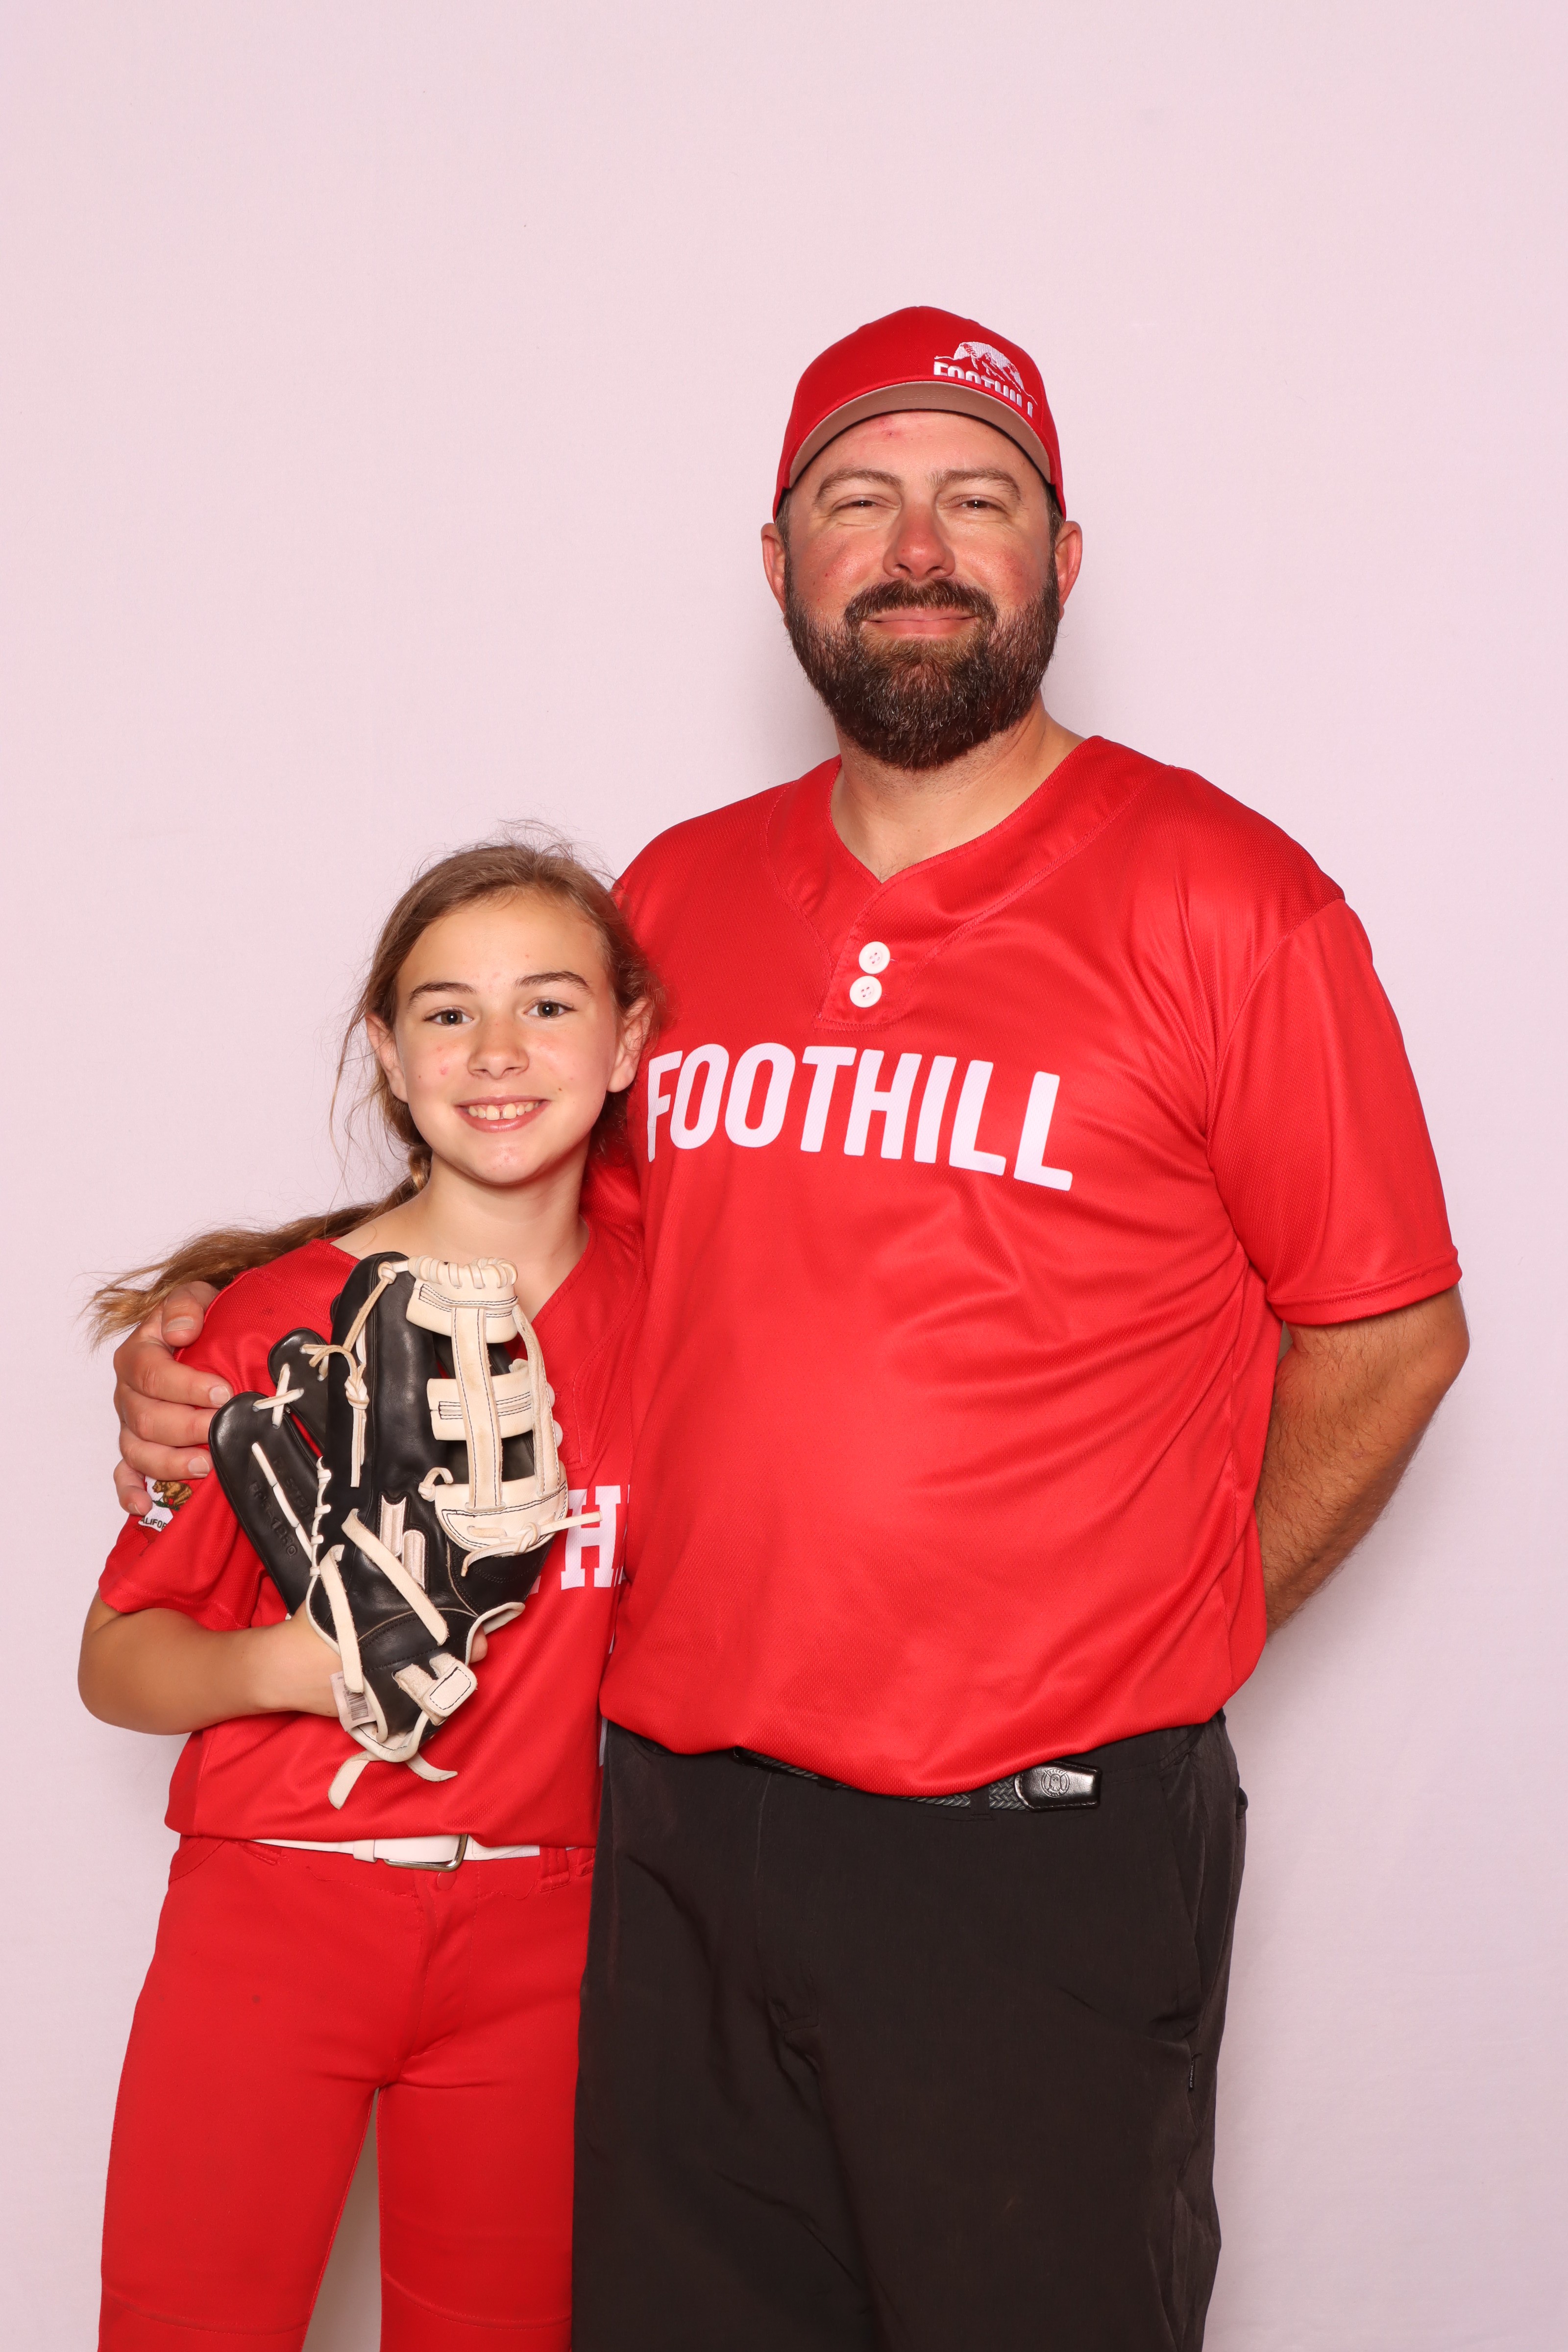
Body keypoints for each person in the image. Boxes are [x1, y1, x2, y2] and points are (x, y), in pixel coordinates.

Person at [110, 307, 1470, 2351]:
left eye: (974, 499)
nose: (916, 546)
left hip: (1033, 1848)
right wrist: (231, 1314)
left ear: (1060, 557)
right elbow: (528, 1213)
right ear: (778, 563)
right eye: (858, 500)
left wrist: (1171, 1623)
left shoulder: (1228, 901)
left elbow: (1389, 1333)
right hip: (671, 1830)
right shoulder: (682, 897)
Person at [81, 839, 657, 2351]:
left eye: (549, 1004)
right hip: (276, 1913)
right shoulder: (275, 1329)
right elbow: (116, 1659)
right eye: (447, 1013)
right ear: (390, 1057)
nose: (499, 1050)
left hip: (548, 1932)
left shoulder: (677, 1312)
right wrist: (292, 1663)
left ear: (629, 1041)